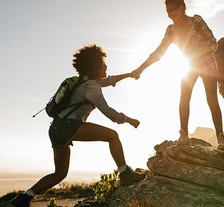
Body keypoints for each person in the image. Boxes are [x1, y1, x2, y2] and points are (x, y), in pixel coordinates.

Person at [11, 44, 146, 207]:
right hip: (69, 126)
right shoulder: (92, 86)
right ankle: (125, 174)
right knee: (113, 136)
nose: (106, 67)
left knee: (59, 173)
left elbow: (107, 81)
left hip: (56, 128)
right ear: (96, 67)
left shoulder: (80, 81)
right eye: (104, 65)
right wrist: (129, 120)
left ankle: (24, 198)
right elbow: (108, 112)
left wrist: (129, 74)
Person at [131, 0, 224, 149]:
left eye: (173, 9)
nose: (170, 14)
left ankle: (220, 136)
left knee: (211, 98)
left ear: (182, 8)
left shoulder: (196, 20)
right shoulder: (171, 30)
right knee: (184, 96)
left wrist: (198, 53)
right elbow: (158, 52)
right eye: (167, 11)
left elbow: (213, 42)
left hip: (207, 62)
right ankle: (184, 133)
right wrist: (140, 69)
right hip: (190, 65)